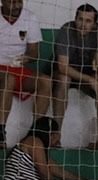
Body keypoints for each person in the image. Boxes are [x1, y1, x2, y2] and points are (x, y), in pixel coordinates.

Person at [51, 4, 98, 143]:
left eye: (88, 21)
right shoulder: (67, 30)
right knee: (64, 79)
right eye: (80, 19)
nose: (83, 25)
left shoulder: (97, 33)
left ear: (94, 24)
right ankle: (56, 135)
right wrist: (90, 80)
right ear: (75, 19)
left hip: (84, 72)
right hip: (61, 72)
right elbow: (62, 67)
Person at [0, 0, 51, 149]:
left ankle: (37, 131)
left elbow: (35, 53)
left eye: (19, 1)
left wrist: (27, 58)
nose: (16, 6)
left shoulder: (30, 17)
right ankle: (0, 130)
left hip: (17, 68)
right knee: (9, 78)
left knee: (45, 81)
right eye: (12, 2)